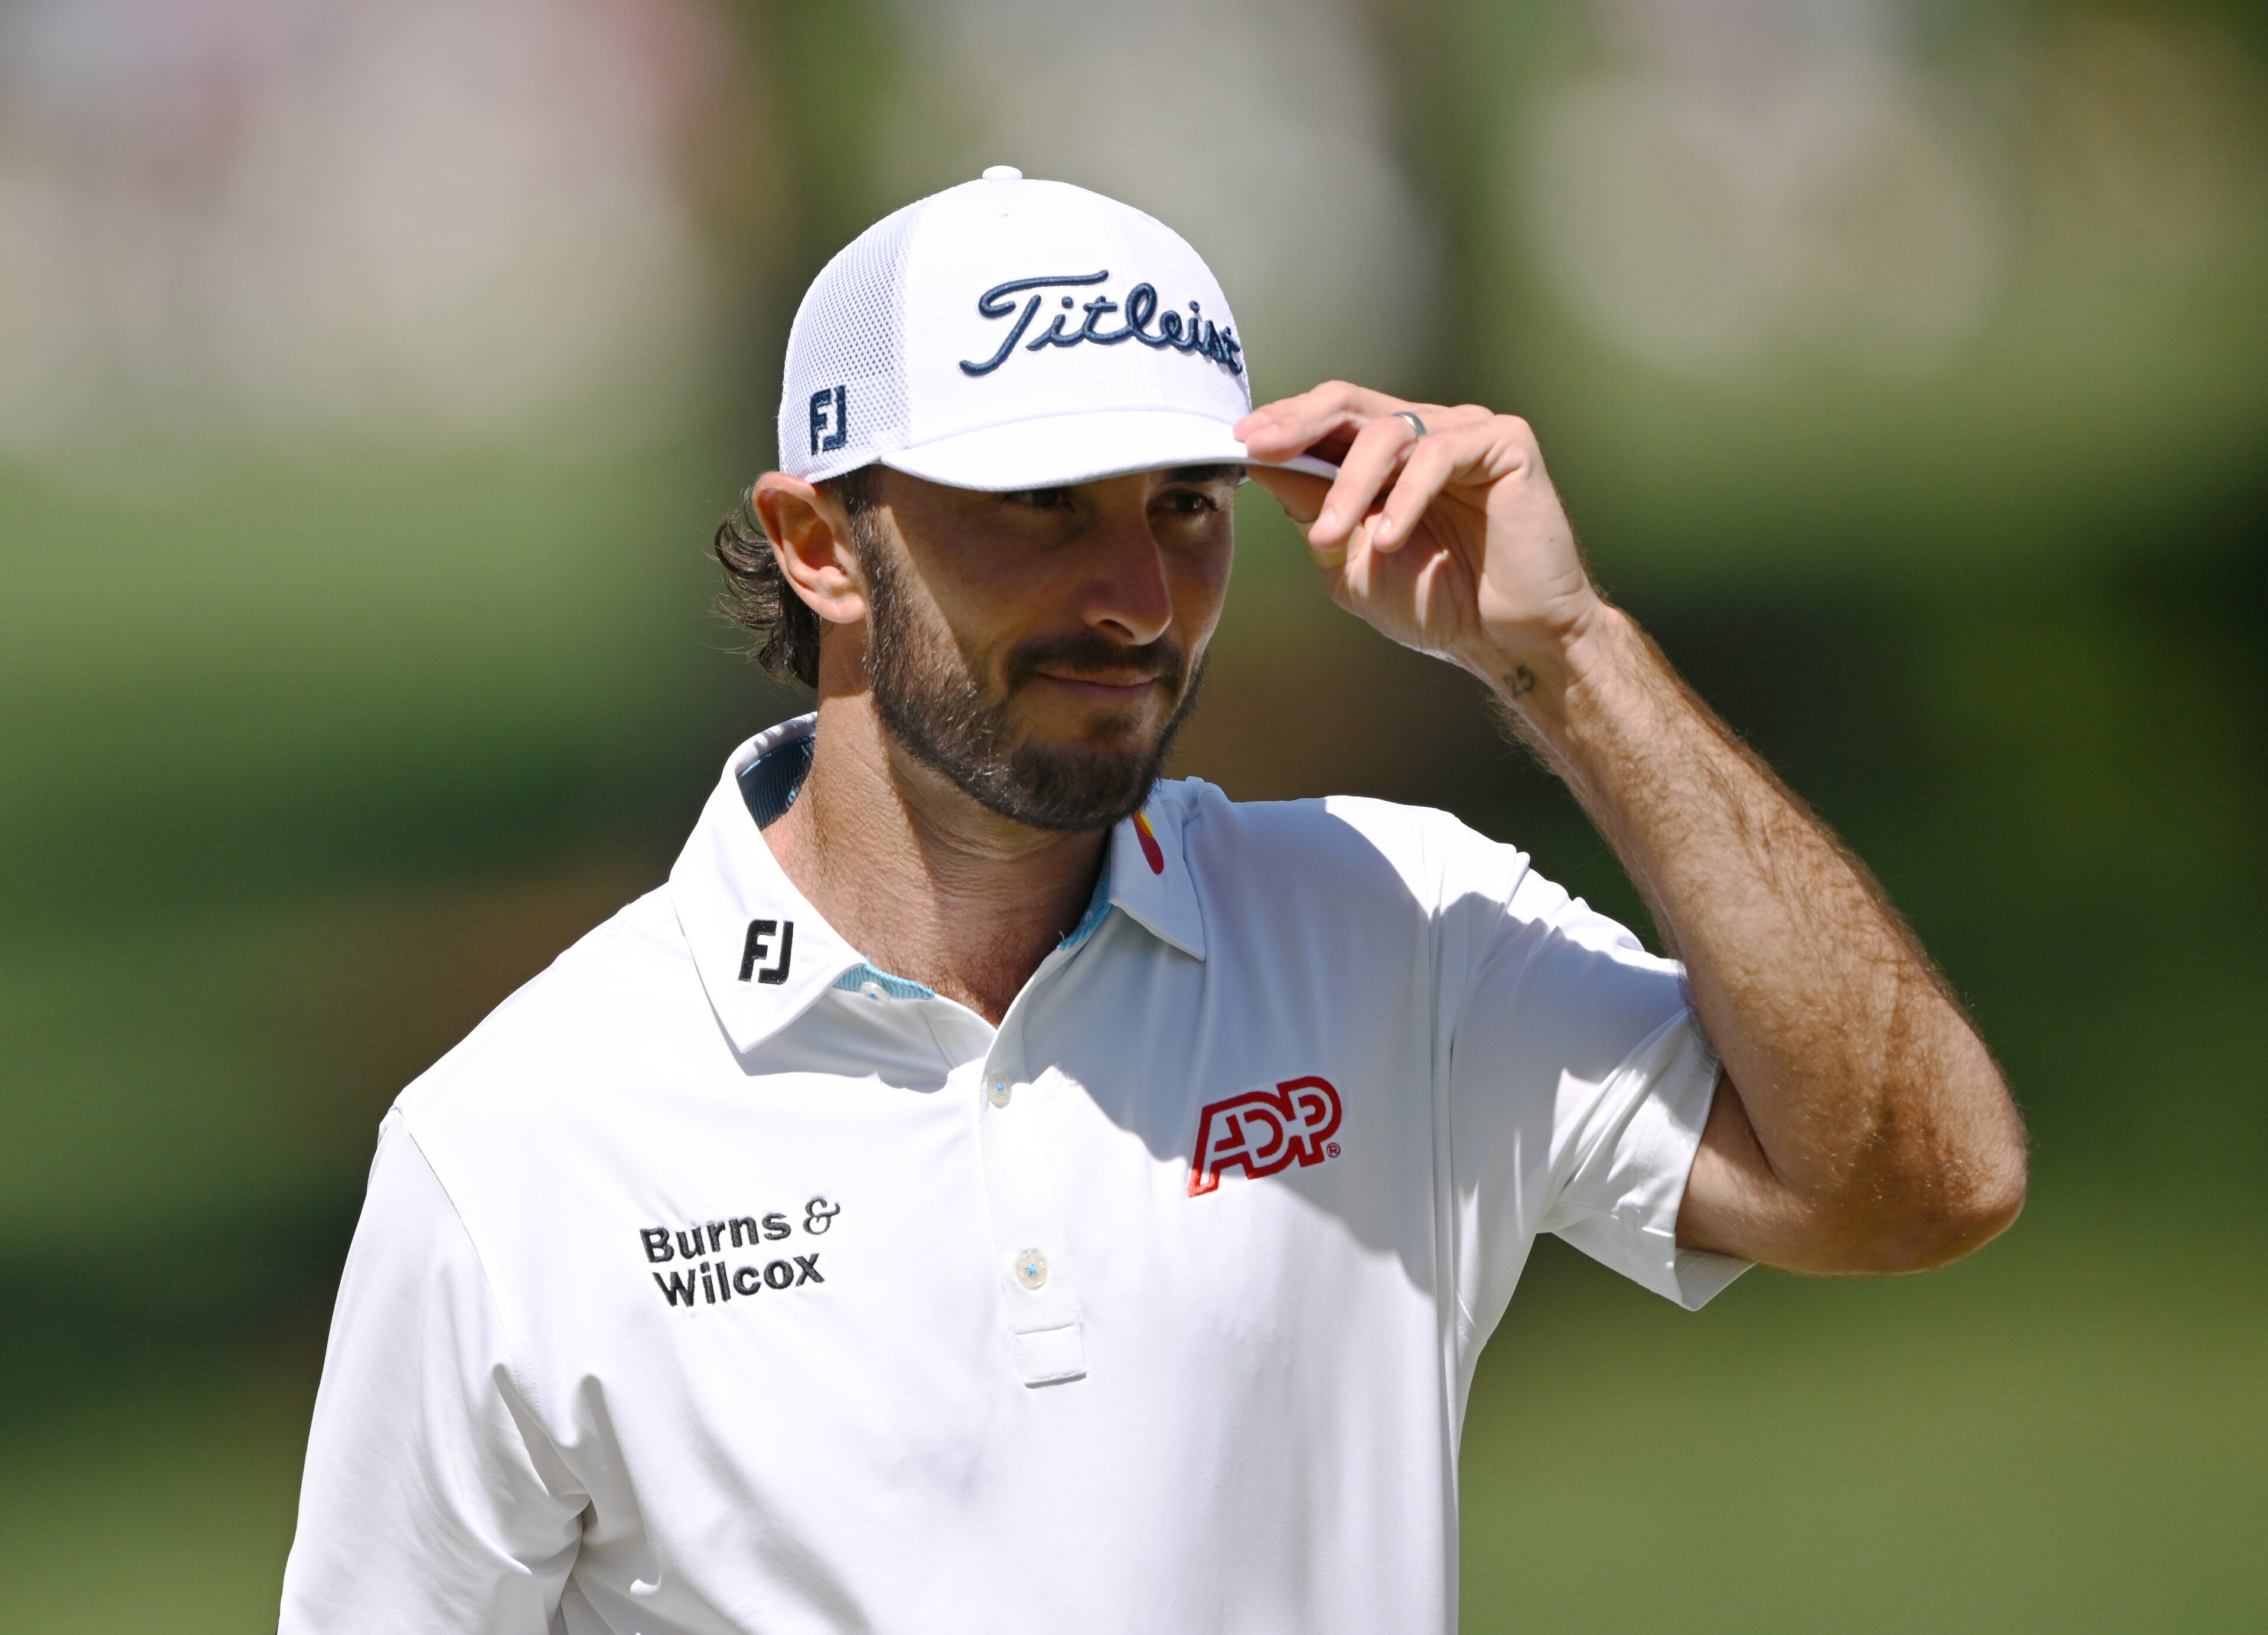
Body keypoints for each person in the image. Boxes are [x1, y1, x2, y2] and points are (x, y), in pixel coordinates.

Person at [279, 169, 2025, 1634]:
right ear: (821, 541)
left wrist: (1567, 656)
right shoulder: (518, 1145)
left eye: (1186, 506)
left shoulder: (1389, 927)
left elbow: (1918, 1181)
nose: (1134, 594)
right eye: (1036, 509)